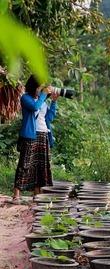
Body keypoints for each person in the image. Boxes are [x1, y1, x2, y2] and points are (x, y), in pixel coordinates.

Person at [13, 75, 57, 204]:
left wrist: (53, 102)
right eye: (39, 86)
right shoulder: (25, 98)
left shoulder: (43, 100)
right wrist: (44, 95)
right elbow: (34, 107)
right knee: (24, 164)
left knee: (40, 165)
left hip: (43, 134)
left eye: (42, 87)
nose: (41, 89)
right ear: (33, 86)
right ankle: (16, 195)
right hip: (30, 134)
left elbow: (49, 117)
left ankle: (36, 195)